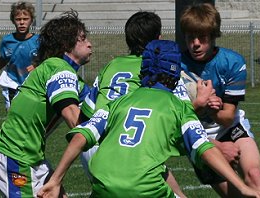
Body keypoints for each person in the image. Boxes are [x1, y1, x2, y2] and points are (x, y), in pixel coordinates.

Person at [37, 39, 260, 198]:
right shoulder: (179, 107)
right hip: (146, 188)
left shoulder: (120, 101)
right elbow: (203, 147)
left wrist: (56, 179)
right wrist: (239, 186)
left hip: (103, 184)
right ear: (175, 72)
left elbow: (82, 135)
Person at [80, 11, 186, 198]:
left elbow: (86, 112)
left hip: (92, 147)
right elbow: (181, 116)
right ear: (158, 39)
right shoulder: (155, 71)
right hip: (125, 149)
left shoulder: (111, 65)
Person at [179, 3, 260, 198]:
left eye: (202, 37)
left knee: (254, 175)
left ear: (214, 36)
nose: (195, 43)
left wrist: (213, 110)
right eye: (190, 38)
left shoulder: (232, 62)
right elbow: (176, 119)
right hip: (198, 135)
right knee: (237, 196)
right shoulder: (176, 65)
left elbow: (227, 117)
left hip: (229, 127)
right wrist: (201, 103)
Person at [0, 10, 91, 197]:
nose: (89, 44)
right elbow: (75, 120)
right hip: (16, 157)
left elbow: (95, 104)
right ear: (66, 44)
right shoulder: (58, 69)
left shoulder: (65, 75)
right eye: (83, 39)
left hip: (32, 157)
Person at [0, 1, 39, 112]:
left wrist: (37, 65)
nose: (22, 22)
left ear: (31, 20)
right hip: (12, 81)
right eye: (18, 19)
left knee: (29, 113)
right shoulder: (7, 41)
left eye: (25, 19)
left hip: (31, 83)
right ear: (13, 21)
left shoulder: (38, 41)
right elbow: (4, 58)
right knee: (13, 113)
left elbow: (47, 59)